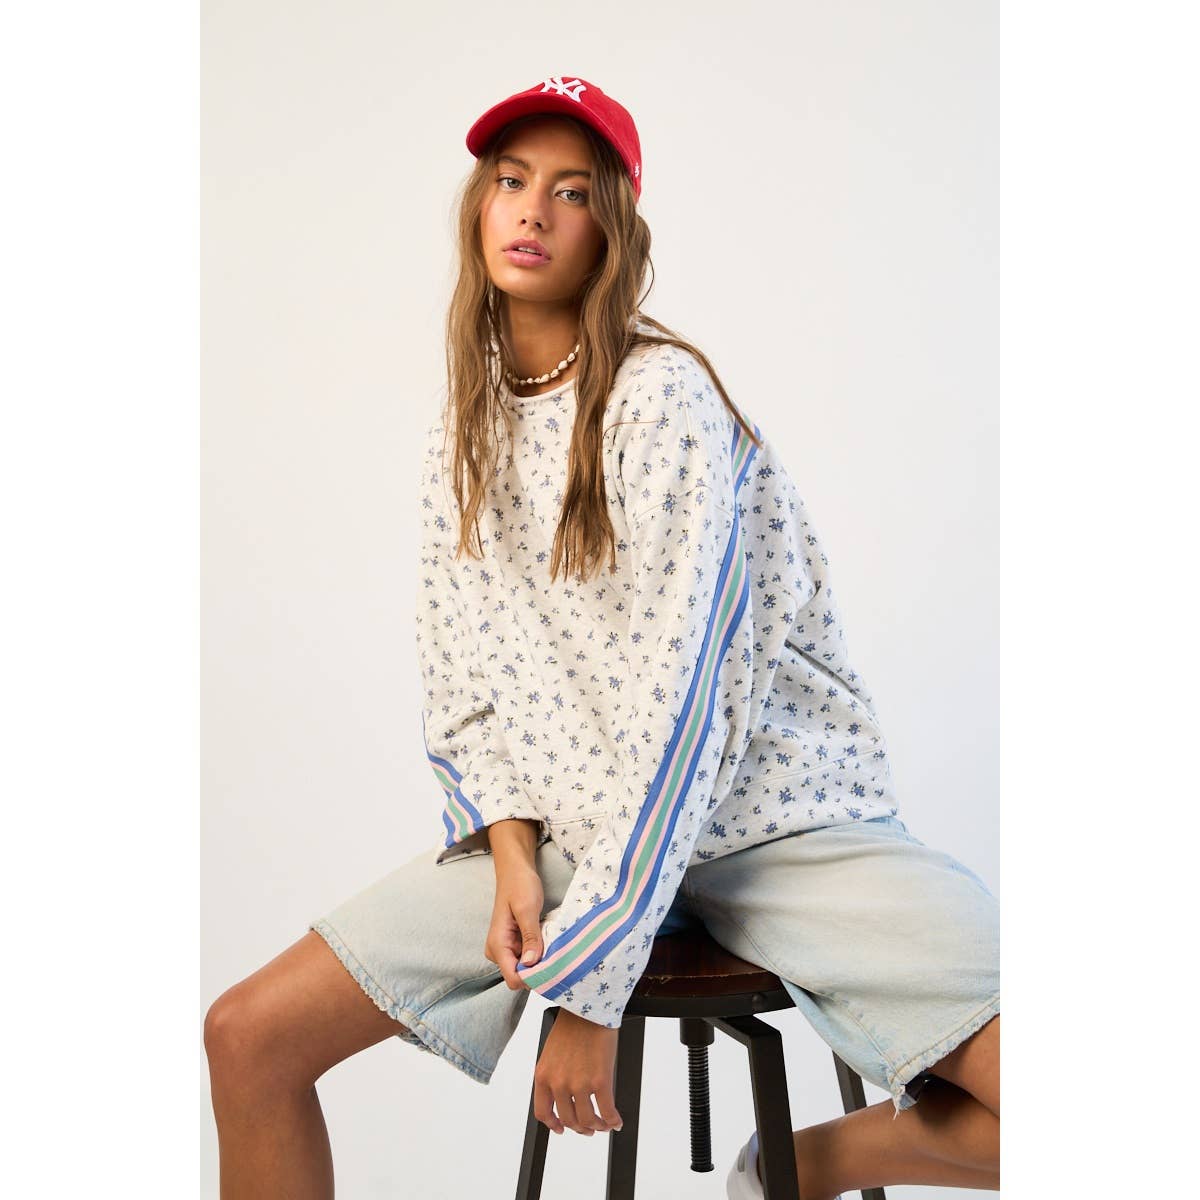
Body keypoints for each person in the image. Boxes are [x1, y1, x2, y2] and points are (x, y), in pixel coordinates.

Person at [204, 75, 1000, 1200]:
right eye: (511, 181)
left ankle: (800, 1166)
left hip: (776, 824)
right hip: (578, 832)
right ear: (479, 207)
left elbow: (686, 714)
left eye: (572, 191)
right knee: (247, 1038)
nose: (533, 210)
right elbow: (463, 681)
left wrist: (591, 987)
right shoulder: (463, 428)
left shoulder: (660, 399)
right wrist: (512, 854)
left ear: (612, 231)